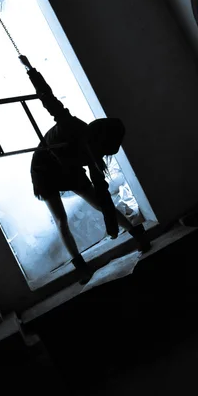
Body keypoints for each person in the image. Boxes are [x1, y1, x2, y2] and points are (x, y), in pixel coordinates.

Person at [20, 55, 151, 283]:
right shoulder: (70, 124)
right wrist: (31, 70)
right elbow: (47, 97)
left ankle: (137, 233)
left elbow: (102, 194)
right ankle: (80, 266)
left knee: (100, 203)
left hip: (68, 167)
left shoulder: (94, 152)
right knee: (61, 219)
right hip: (44, 168)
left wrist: (114, 226)